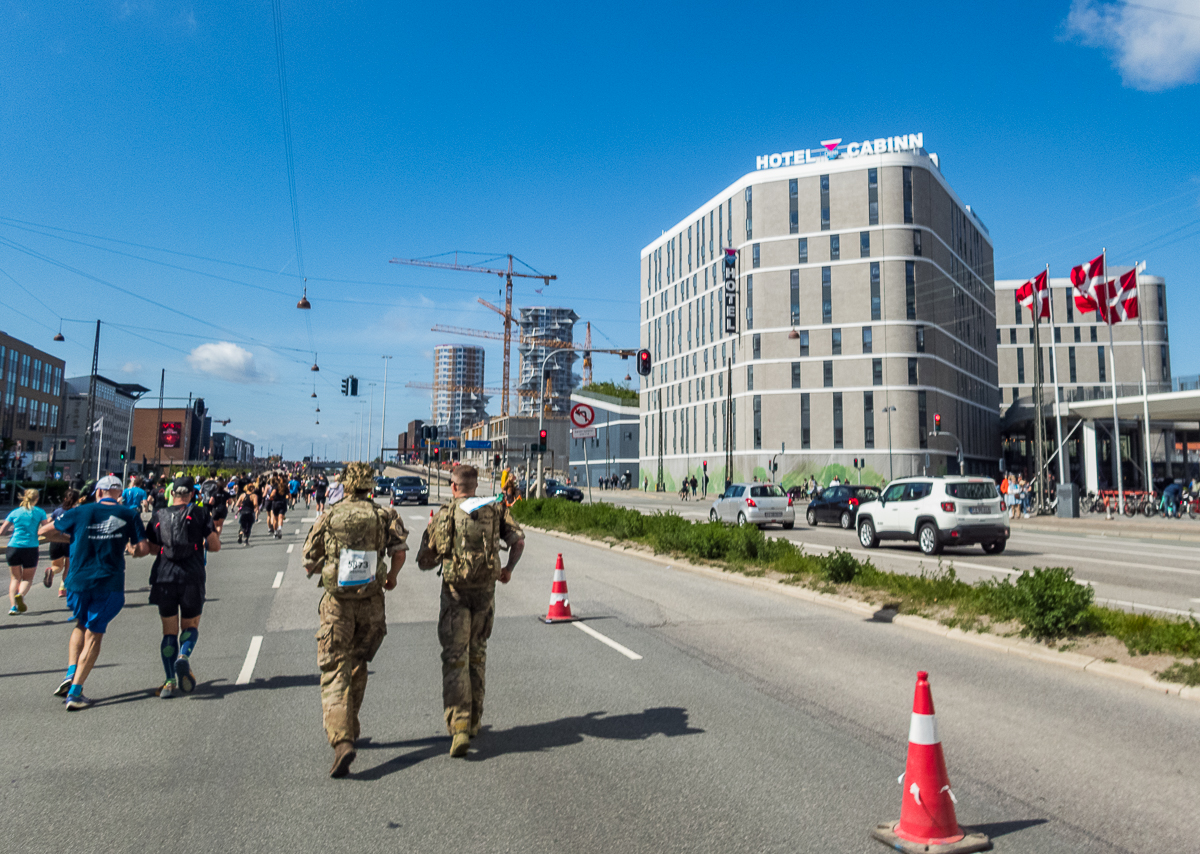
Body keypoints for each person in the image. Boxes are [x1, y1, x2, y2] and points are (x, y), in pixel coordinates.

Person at [302, 462, 408, 778]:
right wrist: (392, 577)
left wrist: (323, 564)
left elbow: (309, 558)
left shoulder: (330, 515)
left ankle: (342, 739)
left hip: (338, 604)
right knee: (359, 664)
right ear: (370, 486)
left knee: (335, 668)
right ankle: (351, 723)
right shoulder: (384, 515)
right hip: (372, 604)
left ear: (346, 486)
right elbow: (399, 551)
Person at [417, 464, 524, 757]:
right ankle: (476, 720)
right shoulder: (496, 509)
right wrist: (508, 569)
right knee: (478, 653)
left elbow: (425, 559)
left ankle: (460, 726)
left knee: (455, 657)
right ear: (476, 486)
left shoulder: (446, 514)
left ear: (454, 487)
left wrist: (440, 556)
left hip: (455, 595)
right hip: (485, 594)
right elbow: (518, 541)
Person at [39, 475, 150, 710]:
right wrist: (130, 549)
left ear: (98, 492)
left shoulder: (81, 511)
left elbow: (46, 532)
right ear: (119, 493)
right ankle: (75, 693)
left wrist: (71, 537)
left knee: (80, 623)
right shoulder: (129, 514)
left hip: (76, 581)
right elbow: (143, 549)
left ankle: (71, 672)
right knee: (95, 633)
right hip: (108, 581)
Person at [145, 476, 221, 698]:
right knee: (190, 625)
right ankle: (183, 657)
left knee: (168, 631)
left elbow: (151, 548)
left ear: (172, 494)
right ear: (192, 495)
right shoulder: (199, 513)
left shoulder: (158, 515)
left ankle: (169, 682)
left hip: (164, 577)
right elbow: (214, 546)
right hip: (191, 576)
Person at [3, 488, 48, 615]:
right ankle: (21, 595)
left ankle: (13, 607)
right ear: (37, 499)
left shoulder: (15, 512)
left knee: (15, 578)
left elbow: (2, 531)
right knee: (27, 579)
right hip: (31, 548)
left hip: (13, 547)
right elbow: (45, 529)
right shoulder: (40, 512)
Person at [46, 488, 81, 597]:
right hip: (69, 541)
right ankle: (62, 588)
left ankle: (51, 571)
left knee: (58, 566)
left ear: (65, 498)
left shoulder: (58, 511)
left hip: (56, 541)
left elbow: (48, 522)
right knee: (68, 567)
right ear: (77, 500)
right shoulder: (77, 511)